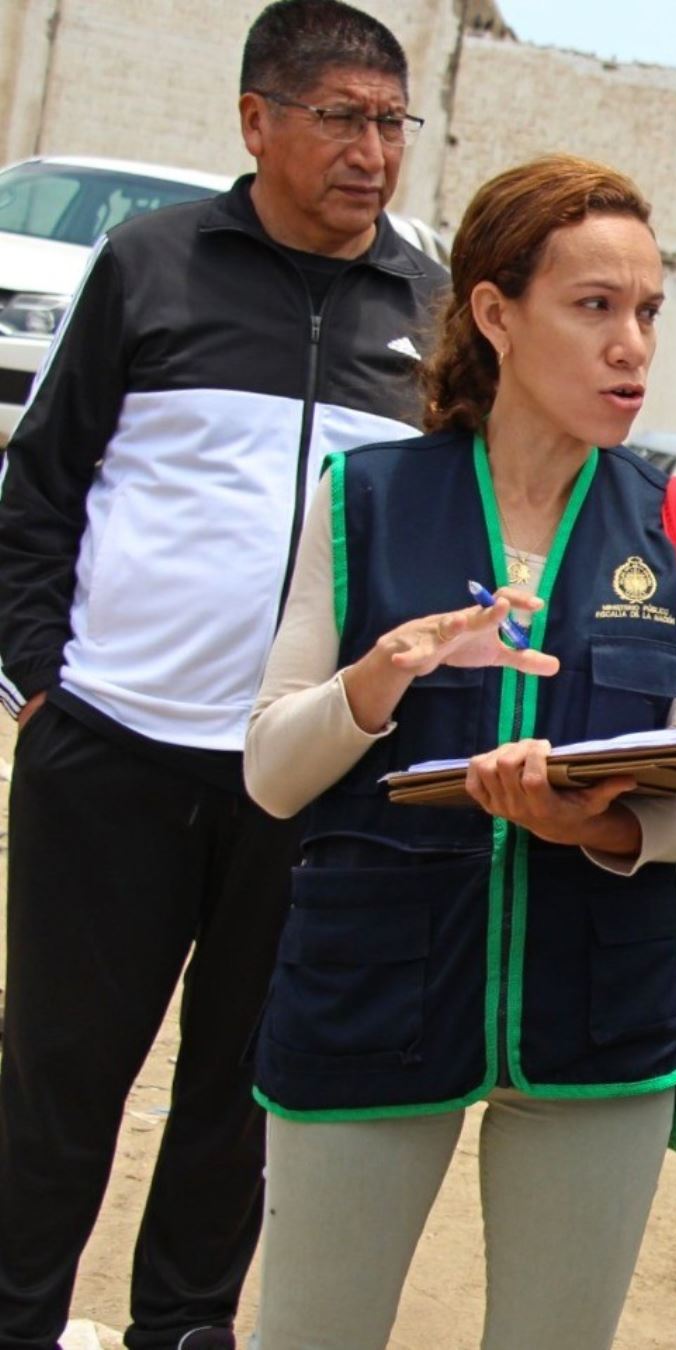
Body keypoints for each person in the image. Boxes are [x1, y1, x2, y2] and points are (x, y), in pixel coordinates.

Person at [240, 153, 676, 1348]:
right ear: (494, 313)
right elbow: (270, 774)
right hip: (370, 987)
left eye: (648, 311)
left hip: (599, 1005)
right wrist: (384, 675)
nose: (633, 345)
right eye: (595, 307)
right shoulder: (362, 498)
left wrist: (596, 824)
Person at [0, 4, 444, 1345]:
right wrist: (40, 683)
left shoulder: (425, 308)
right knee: (56, 1083)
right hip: (114, 757)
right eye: (341, 118)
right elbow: (40, 491)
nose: (372, 151)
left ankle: (180, 1330)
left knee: (240, 1093)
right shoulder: (150, 267)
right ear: (257, 121)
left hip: (306, 780)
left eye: (390, 123)